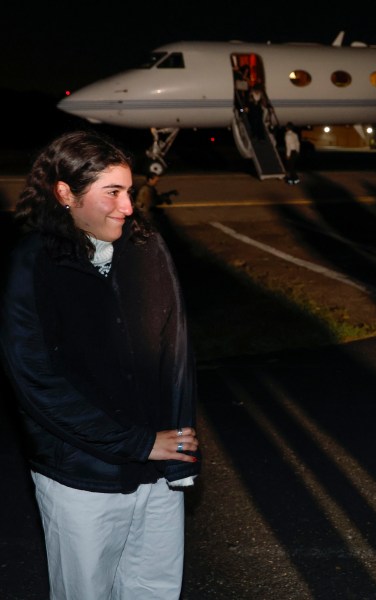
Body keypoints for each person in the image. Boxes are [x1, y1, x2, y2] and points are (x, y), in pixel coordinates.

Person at [0, 130, 200, 599]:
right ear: (65, 193)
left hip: (159, 467)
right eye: (112, 191)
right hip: (83, 476)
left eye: (128, 190)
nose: (128, 207)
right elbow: (36, 382)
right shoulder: (33, 266)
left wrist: (180, 443)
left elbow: (177, 349)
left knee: (154, 589)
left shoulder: (147, 248)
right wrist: (135, 442)